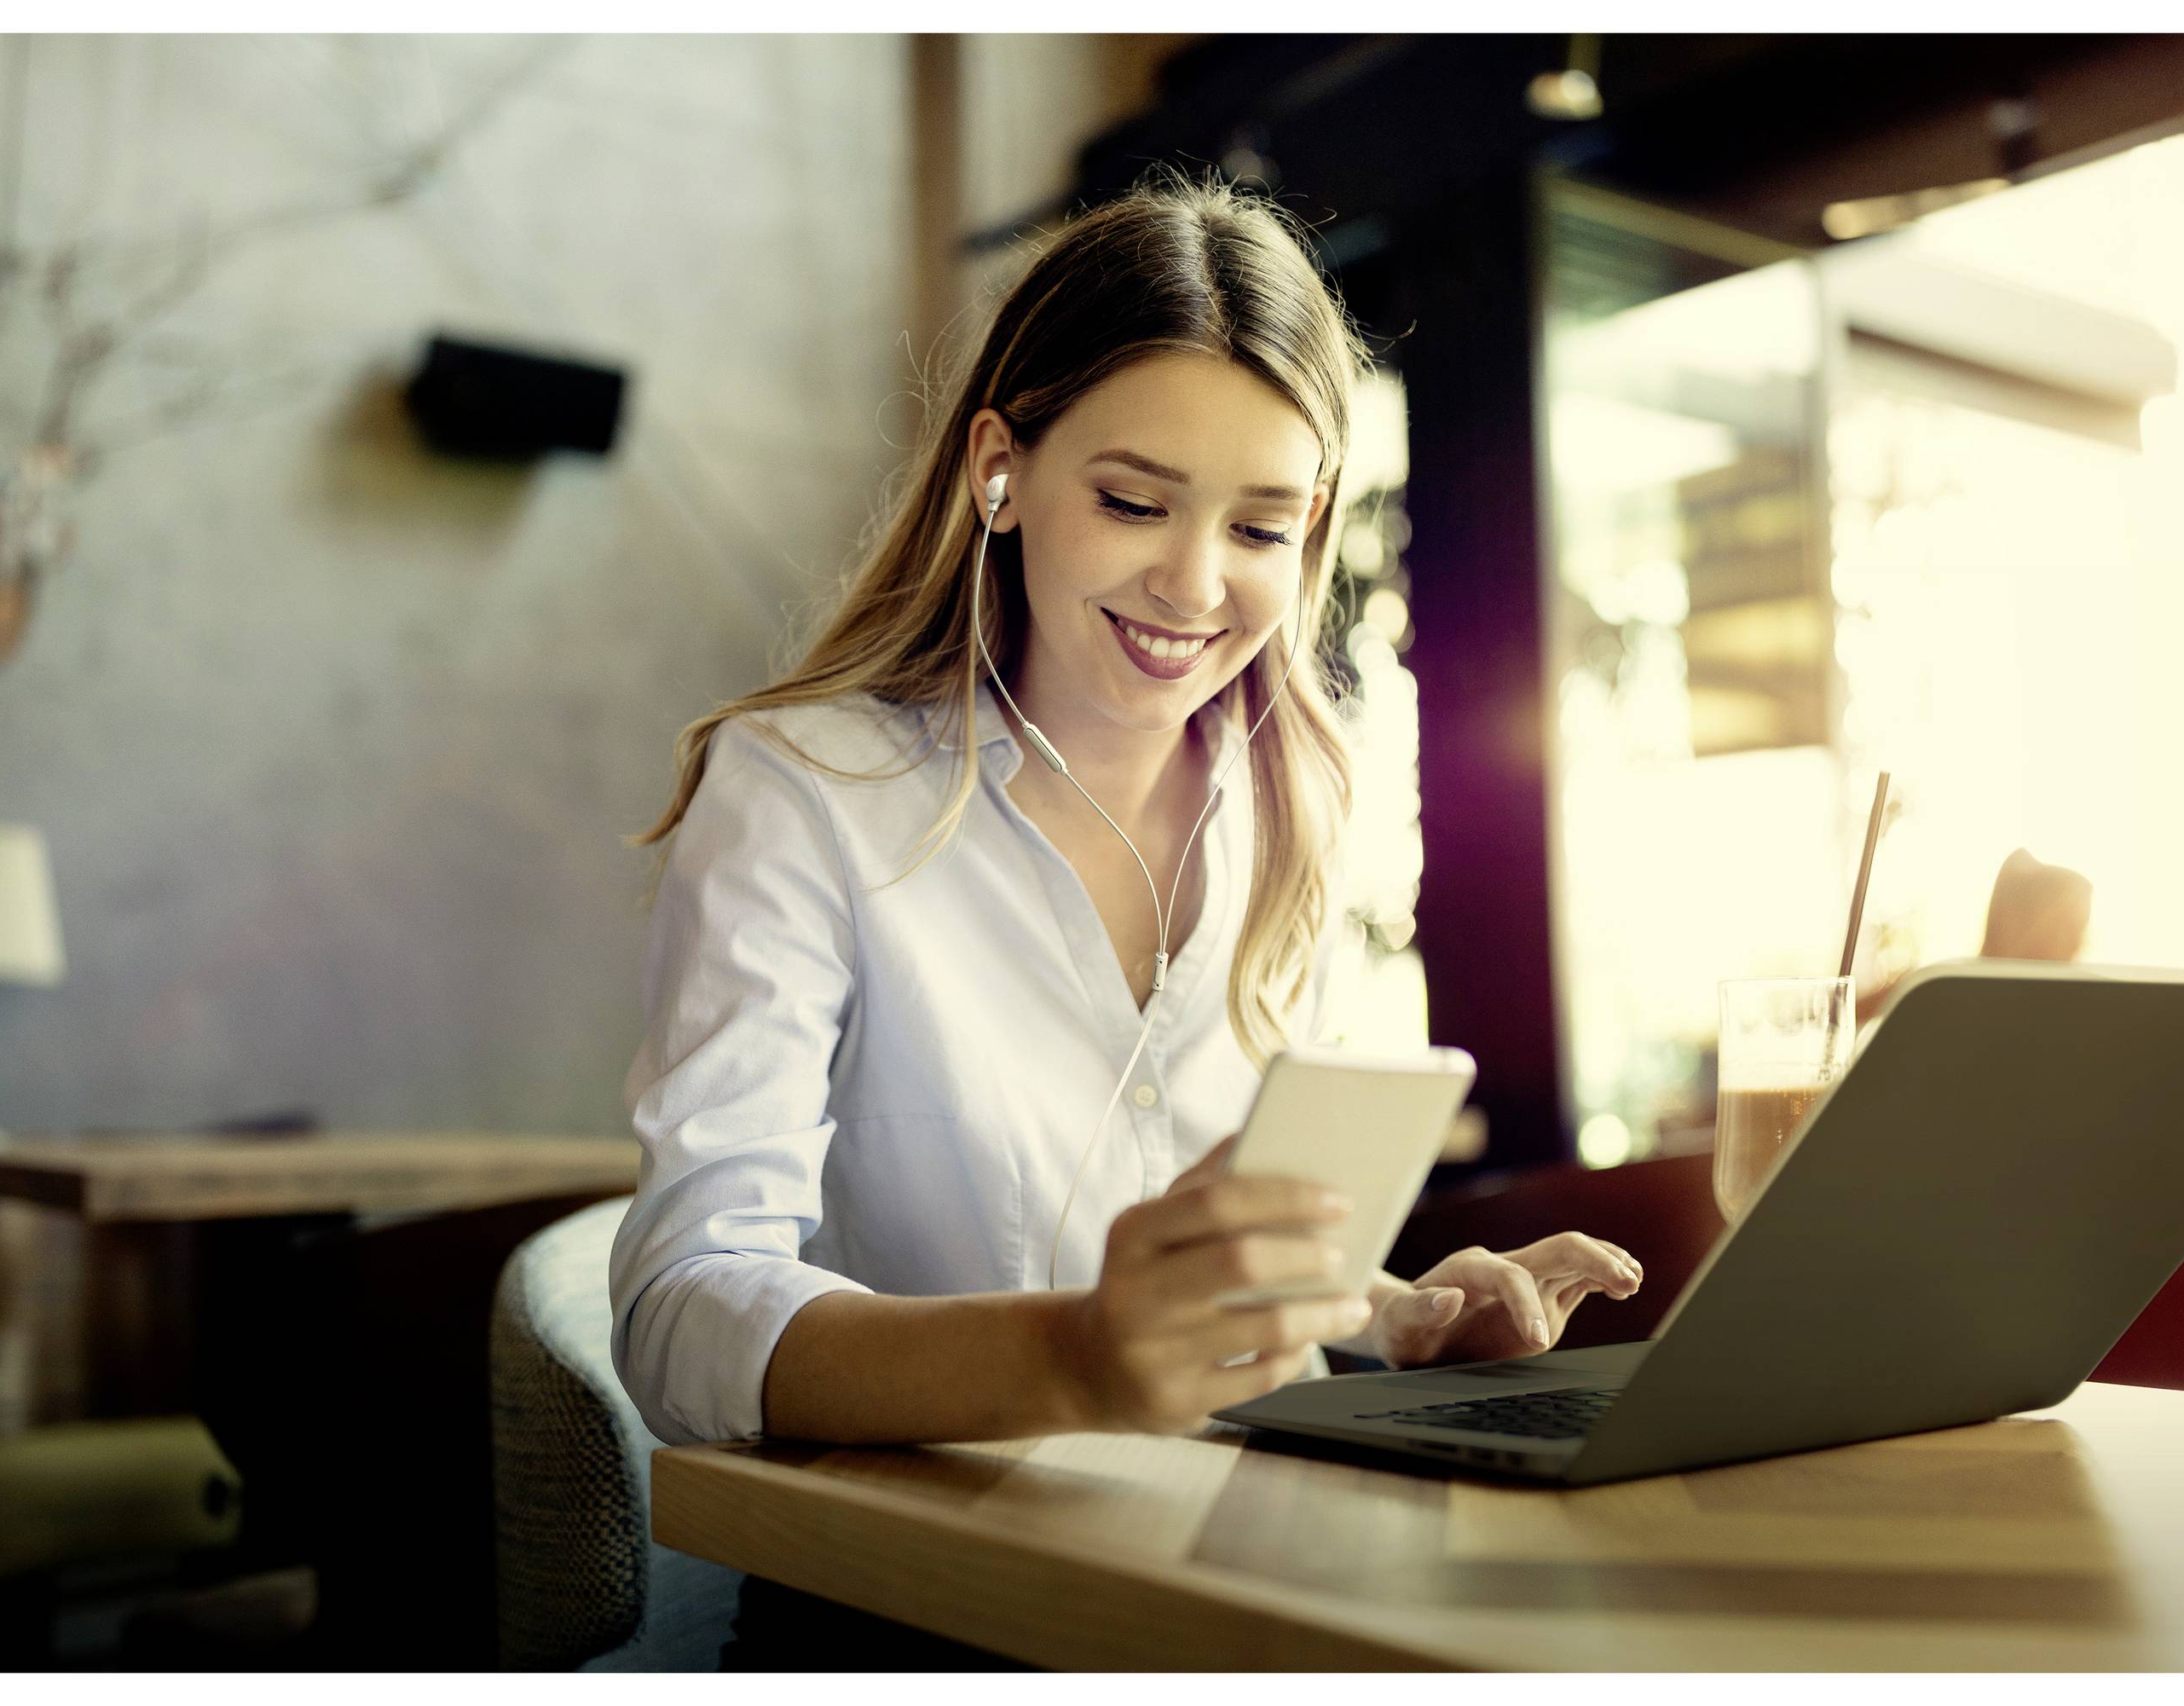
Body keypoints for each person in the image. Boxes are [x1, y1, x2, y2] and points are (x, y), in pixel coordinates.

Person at [610, 167, 1641, 1456]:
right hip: (930, 1603)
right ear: (1001, 470)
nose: (1194, 583)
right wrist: (1074, 1357)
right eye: (1133, 503)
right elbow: (682, 1312)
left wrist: (1401, 1318)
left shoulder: (1291, 809)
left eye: (1261, 526)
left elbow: (1227, 1277)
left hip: (1241, 1554)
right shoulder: (805, 795)